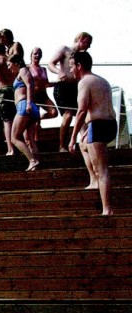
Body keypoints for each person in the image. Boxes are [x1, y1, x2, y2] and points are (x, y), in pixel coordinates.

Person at [68, 51, 117, 216]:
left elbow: (82, 110)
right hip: (109, 124)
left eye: (72, 66)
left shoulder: (84, 82)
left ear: (79, 66)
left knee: (102, 170)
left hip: (99, 126)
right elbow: (101, 107)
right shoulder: (102, 81)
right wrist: (86, 130)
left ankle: (107, 209)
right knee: (84, 144)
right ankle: (94, 180)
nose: (71, 70)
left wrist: (73, 136)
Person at [49, 32, 93, 151]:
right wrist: (59, 72)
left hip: (76, 87)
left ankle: (84, 144)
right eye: (88, 43)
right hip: (63, 86)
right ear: (81, 39)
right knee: (68, 114)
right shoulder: (65, 49)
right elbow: (50, 63)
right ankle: (62, 145)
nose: (88, 46)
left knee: (82, 116)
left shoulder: (82, 56)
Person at [10, 54, 41, 171]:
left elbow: (29, 85)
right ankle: (36, 164)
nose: (9, 67)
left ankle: (32, 160)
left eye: (10, 64)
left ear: (16, 63)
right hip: (30, 107)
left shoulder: (23, 70)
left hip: (25, 105)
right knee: (29, 139)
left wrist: (28, 103)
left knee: (14, 138)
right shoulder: (23, 71)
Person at [0, 42, 17, 155]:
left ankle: (10, 149)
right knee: (16, 118)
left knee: (7, 121)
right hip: (14, 90)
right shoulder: (9, 59)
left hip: (3, 91)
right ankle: (17, 145)